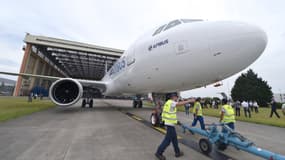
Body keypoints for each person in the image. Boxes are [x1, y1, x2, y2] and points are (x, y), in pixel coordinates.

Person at [155, 93, 194, 160]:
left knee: (175, 139)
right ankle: (158, 153)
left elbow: (170, 114)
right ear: (173, 97)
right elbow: (179, 104)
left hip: (170, 123)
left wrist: (176, 122)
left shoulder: (168, 103)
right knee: (167, 140)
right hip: (170, 125)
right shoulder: (171, 102)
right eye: (176, 97)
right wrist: (189, 101)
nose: (177, 98)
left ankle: (177, 152)